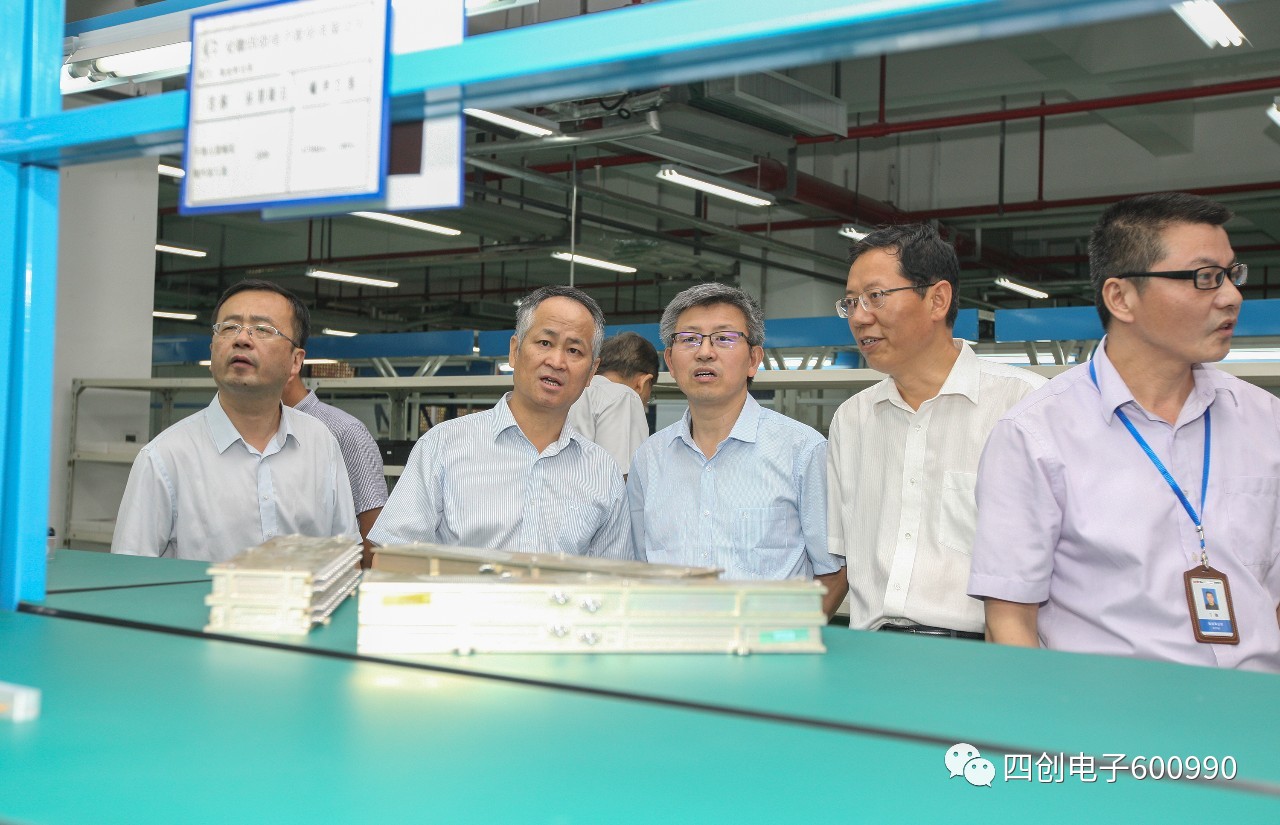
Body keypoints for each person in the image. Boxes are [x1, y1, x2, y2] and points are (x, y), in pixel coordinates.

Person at [969, 192, 1280, 672]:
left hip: (1256, 707)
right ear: (1121, 297)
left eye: (1231, 274)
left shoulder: (1265, 420)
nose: (1231, 296)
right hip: (1107, 712)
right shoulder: (1036, 436)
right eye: (1204, 277)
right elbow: (1010, 621)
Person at [828, 224, 1045, 639]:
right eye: (851, 302)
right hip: (872, 653)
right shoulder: (852, 419)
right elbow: (840, 559)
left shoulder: (1024, 407)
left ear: (937, 299)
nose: (859, 316)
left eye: (876, 296)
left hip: (979, 655)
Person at [627, 283, 846, 616]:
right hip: (669, 643)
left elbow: (833, 573)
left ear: (753, 359)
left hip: (768, 648)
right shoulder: (649, 458)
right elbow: (638, 568)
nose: (705, 352)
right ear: (670, 360)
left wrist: (786, 639)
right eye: (689, 339)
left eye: (724, 338)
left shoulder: (803, 451)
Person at [369, 285, 632, 558]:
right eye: (545, 343)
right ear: (514, 351)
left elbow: (613, 578)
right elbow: (392, 560)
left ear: (591, 372)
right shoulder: (442, 446)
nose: (557, 361)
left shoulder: (603, 473)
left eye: (574, 350)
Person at [112, 280, 357, 562]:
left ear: (295, 361)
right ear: (212, 350)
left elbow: (345, 556)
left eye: (263, 329)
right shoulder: (164, 458)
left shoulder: (320, 442)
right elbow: (129, 572)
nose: (242, 339)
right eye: (229, 327)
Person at [282, 368, 389, 563]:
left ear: (294, 363)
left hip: (328, 575)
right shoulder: (253, 432)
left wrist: (361, 580)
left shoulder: (344, 431)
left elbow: (373, 526)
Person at [566, 331, 659, 475]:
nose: (646, 403)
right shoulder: (624, 396)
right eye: (649, 396)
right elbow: (621, 475)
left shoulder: (570, 393)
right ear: (643, 382)